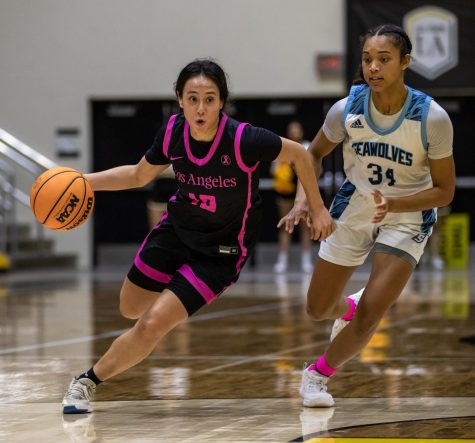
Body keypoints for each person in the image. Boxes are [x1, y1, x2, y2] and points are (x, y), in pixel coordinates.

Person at [61, 58, 334, 414]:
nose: (201, 108)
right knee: (129, 308)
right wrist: (81, 181)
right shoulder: (174, 132)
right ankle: (170, 300)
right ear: (179, 99)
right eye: (192, 98)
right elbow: (138, 174)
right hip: (176, 231)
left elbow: (301, 154)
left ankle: (85, 382)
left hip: (219, 253)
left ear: (222, 101)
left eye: (209, 98)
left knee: (151, 325)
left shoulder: (243, 138)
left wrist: (316, 207)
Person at [278, 24, 455, 407]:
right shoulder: (347, 109)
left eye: (384, 59)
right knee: (318, 309)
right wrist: (305, 201)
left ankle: (317, 375)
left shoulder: (432, 118)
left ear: (405, 62)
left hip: (408, 215)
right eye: (367, 59)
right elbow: (312, 154)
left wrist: (395, 205)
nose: (373, 67)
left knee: (374, 312)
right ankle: (350, 306)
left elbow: (445, 191)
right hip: (356, 205)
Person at [272, 121, 314, 273]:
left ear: (302, 132)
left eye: (297, 129)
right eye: (291, 130)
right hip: (285, 193)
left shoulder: (308, 146)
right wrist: (284, 163)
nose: (294, 132)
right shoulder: (283, 147)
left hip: (304, 193)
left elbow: (314, 168)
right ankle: (282, 260)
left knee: (305, 227)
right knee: (285, 226)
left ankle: (306, 260)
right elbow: (275, 170)